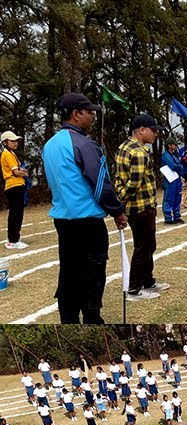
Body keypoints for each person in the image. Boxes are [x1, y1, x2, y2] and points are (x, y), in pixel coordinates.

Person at [41, 93, 128, 324]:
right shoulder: (84, 144)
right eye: (89, 112)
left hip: (63, 220)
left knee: (69, 271)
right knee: (93, 271)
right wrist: (117, 211)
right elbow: (100, 185)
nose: (92, 116)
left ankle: (68, 318)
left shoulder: (49, 145)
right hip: (87, 221)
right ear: (76, 114)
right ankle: (91, 317)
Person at [114, 114, 168, 301]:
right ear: (141, 130)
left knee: (147, 245)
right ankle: (134, 289)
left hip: (138, 207)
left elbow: (118, 178)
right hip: (141, 207)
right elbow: (133, 183)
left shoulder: (123, 147)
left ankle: (148, 281)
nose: (155, 135)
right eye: (153, 131)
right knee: (143, 247)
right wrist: (121, 201)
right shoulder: (138, 152)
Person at [2, 130, 31, 249]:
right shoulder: (7, 154)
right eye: (12, 141)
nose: (15, 143)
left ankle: (14, 239)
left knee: (16, 213)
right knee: (16, 214)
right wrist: (24, 173)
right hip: (14, 185)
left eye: (16, 141)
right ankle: (13, 240)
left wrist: (22, 172)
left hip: (16, 185)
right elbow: (16, 172)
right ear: (4, 142)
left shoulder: (11, 153)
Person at [159, 139, 184, 225]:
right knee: (169, 197)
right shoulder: (165, 155)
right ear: (169, 145)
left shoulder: (174, 155)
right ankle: (168, 217)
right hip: (169, 179)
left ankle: (177, 216)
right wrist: (180, 167)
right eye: (174, 144)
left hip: (177, 178)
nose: (176, 146)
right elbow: (173, 166)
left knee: (178, 196)